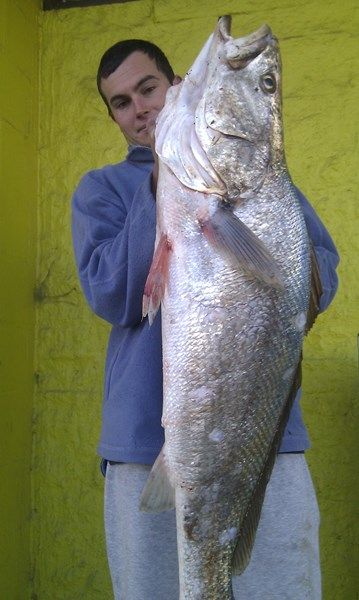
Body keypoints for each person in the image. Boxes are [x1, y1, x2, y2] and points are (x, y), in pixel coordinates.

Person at [71, 38, 339, 600]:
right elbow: (111, 294)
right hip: (143, 446)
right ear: (115, 117)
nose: (139, 108)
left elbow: (321, 280)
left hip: (264, 438)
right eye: (121, 103)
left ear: (178, 87)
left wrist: (250, 229)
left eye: (147, 88)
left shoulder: (265, 183)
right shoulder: (103, 190)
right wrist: (164, 184)